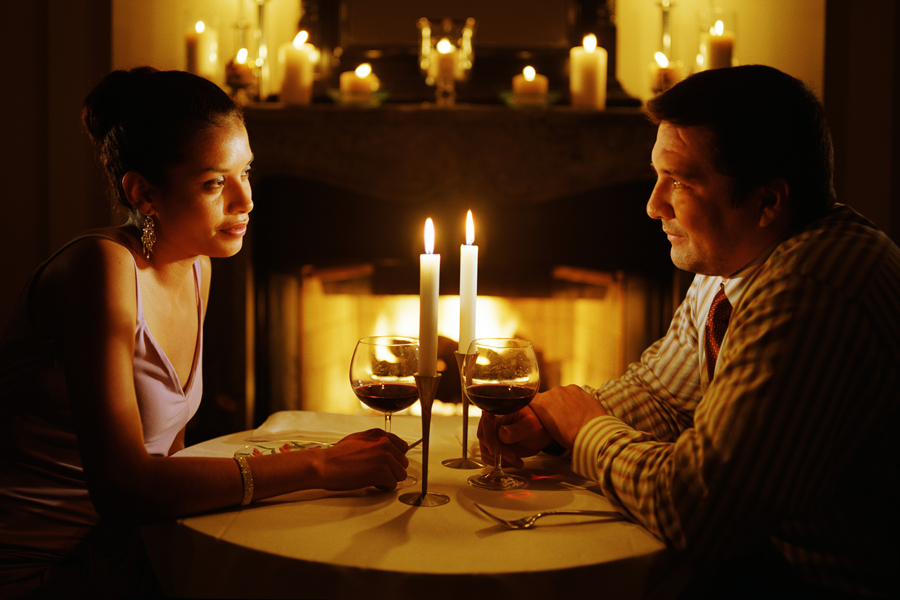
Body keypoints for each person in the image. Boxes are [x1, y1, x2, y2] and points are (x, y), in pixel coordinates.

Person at [481, 65, 899, 599]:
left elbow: (701, 510)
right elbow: (664, 393)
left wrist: (586, 431)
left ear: (767, 201)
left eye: (679, 181)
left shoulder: (810, 291)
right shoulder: (734, 261)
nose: (653, 205)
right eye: (656, 176)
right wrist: (555, 419)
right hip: (767, 557)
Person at [0, 67, 410, 598]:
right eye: (215, 183)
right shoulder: (99, 267)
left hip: (122, 550)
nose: (245, 200)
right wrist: (320, 464)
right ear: (143, 193)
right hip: (36, 563)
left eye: (246, 172)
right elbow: (124, 488)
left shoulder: (197, 264)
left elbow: (172, 462)